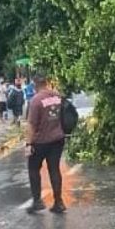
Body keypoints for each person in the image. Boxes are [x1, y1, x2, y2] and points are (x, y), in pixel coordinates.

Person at [26, 75, 66, 214]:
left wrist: (28, 144)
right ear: (46, 83)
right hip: (58, 138)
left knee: (33, 168)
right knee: (54, 169)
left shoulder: (36, 100)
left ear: (35, 84)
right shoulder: (57, 96)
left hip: (41, 141)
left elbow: (31, 124)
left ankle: (37, 201)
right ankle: (58, 201)